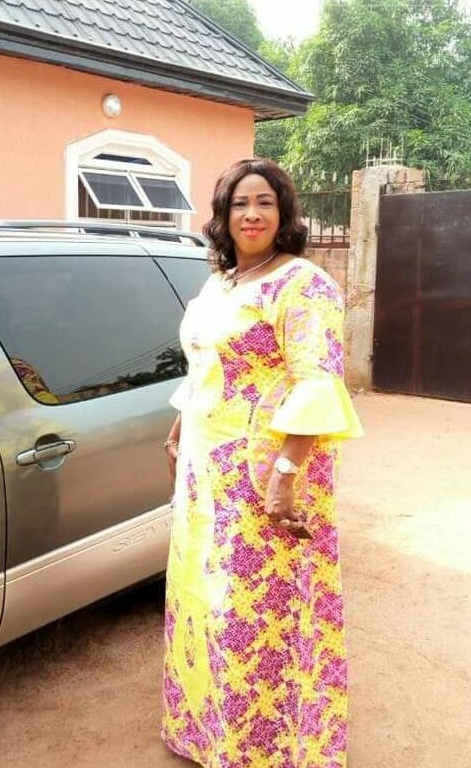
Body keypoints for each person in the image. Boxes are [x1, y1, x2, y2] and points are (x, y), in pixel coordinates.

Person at [161, 159, 363, 768]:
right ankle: (207, 733)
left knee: (254, 609)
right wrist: (180, 425)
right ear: (222, 216)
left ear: (284, 214)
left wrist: (284, 478)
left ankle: (267, 748)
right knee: (202, 595)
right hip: (205, 472)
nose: (251, 215)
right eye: (239, 204)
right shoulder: (221, 283)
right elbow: (205, 365)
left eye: (265, 203)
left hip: (262, 473)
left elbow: (318, 382)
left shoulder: (303, 284)